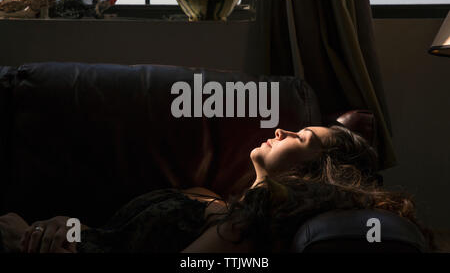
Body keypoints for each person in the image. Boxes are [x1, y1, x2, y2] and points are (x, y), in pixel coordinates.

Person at [0, 125, 435, 253]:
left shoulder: (256, 216)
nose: (280, 129)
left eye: (300, 137)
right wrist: (65, 227)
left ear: (316, 172)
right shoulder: (215, 201)